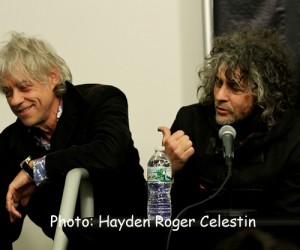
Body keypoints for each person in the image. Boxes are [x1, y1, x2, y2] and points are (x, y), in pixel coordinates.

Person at [0, 32, 147, 249]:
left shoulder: (102, 100)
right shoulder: (10, 141)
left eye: (24, 87)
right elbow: (6, 228)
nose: (15, 100)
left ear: (53, 77)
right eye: (7, 91)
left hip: (132, 240)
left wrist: (38, 169)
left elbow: (108, 153)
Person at [158, 26, 300, 219]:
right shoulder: (191, 122)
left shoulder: (292, 138)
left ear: (262, 93)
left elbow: (288, 226)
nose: (219, 95)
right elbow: (158, 217)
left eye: (234, 87)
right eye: (218, 82)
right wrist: (164, 170)